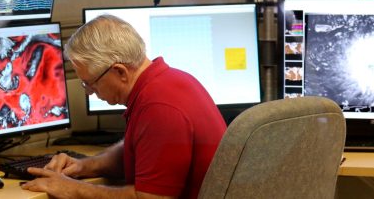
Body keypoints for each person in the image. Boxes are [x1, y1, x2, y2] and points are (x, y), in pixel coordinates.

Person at [21, 14, 227, 199]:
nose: (88, 91)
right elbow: (137, 150)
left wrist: (72, 189)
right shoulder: (169, 81)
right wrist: (84, 166)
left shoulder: (159, 108)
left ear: (120, 72)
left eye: (91, 83)